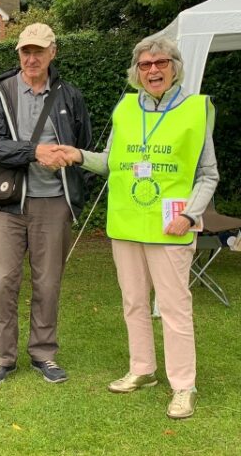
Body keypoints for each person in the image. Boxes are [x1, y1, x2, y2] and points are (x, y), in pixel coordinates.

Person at [59, 36, 218, 419]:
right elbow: (111, 162)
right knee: (133, 304)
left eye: (160, 63)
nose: (153, 71)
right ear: (137, 72)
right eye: (145, 65)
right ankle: (143, 369)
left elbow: (208, 174)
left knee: (175, 308)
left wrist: (190, 214)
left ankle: (183, 385)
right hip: (127, 224)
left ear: (174, 67)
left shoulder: (196, 110)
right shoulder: (126, 108)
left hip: (171, 228)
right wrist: (77, 155)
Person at [0, 23, 92, 386]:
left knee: (48, 283)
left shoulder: (70, 95)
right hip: (8, 204)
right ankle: (2, 359)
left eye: (39, 51)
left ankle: (44, 353)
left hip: (54, 204)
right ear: (18, 54)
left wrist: (76, 191)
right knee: (3, 281)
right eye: (26, 51)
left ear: (52, 53)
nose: (32, 58)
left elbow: (83, 150)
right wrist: (34, 152)